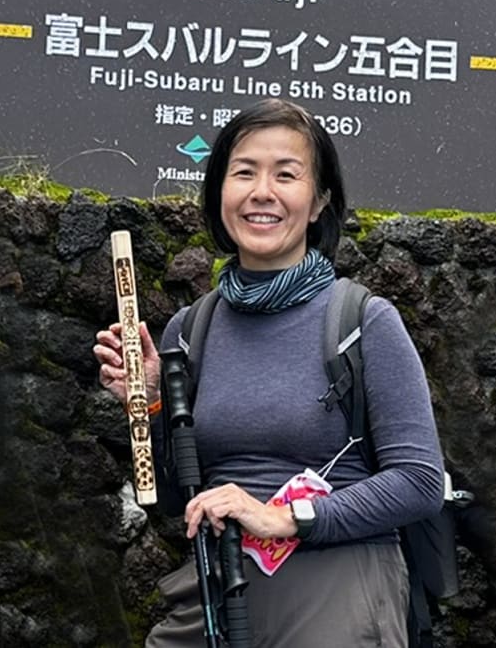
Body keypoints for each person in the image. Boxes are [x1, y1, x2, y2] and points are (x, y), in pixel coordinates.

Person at [93, 98, 443, 645]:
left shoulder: (362, 320)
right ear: (220, 193)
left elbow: (420, 482)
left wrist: (288, 517)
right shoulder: (189, 329)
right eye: (244, 172)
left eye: (286, 175)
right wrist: (152, 405)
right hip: (217, 589)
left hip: (338, 586)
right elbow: (170, 498)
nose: (262, 192)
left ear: (319, 201)